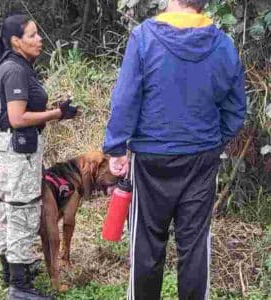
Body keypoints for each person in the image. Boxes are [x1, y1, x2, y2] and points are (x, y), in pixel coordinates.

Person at [102, 0, 246, 299]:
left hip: (152, 159)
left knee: (146, 246)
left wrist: (117, 147)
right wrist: (212, 139)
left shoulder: (144, 37)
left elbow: (126, 98)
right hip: (201, 159)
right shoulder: (223, 44)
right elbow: (236, 108)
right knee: (194, 247)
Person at [0, 15, 78, 300]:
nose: (39, 40)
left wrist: (52, 113)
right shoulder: (16, 70)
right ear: (16, 41)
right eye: (32, 35)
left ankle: (11, 269)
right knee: (22, 210)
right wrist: (55, 114)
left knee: (6, 208)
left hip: (7, 148)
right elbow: (17, 117)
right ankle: (20, 287)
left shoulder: (12, 66)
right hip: (17, 152)